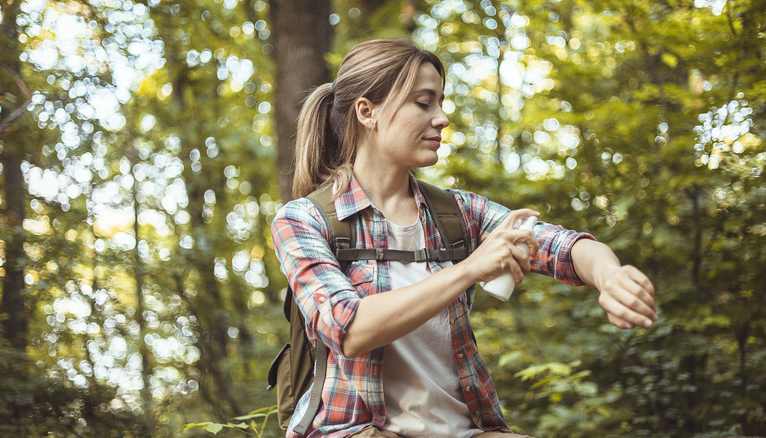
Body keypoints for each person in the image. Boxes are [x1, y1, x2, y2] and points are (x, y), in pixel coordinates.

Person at [271, 39, 657, 438]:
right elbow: (348, 330)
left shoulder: (457, 213)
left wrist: (610, 276)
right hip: (358, 430)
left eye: (440, 102)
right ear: (367, 112)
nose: (442, 118)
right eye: (424, 103)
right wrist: (471, 268)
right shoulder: (304, 220)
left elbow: (565, 247)